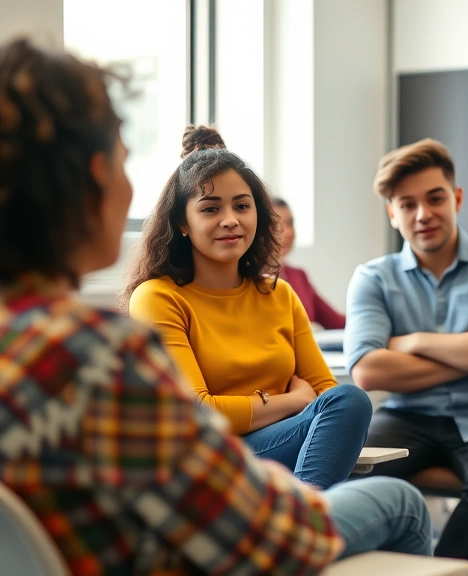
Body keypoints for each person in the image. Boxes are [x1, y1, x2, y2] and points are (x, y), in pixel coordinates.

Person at [0, 38, 430, 575]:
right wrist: (285, 424)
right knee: (401, 502)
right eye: (124, 161)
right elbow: (245, 534)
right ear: (95, 177)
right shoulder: (98, 356)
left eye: (242, 205)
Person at [122, 125, 369, 490]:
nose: (231, 220)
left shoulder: (280, 294)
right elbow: (198, 414)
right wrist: (291, 400)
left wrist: (271, 407)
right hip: (210, 462)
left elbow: (326, 394)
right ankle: (303, 526)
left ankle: (299, 523)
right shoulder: (157, 297)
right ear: (182, 223)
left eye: (242, 205)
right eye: (210, 208)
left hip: (280, 448)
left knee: (351, 403)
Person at [346, 138, 468, 561]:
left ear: (457, 198)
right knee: (347, 471)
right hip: (406, 416)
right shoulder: (373, 277)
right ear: (392, 213)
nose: (423, 214)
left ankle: (445, 571)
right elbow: (367, 370)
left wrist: (412, 343)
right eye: (407, 204)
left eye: (435, 199)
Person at [273, 197, 347, 330]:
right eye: (277, 225)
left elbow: (335, 321)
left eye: (290, 224)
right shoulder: (244, 278)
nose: (289, 232)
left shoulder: (298, 276)